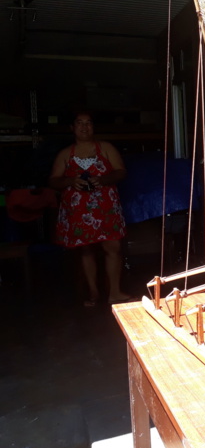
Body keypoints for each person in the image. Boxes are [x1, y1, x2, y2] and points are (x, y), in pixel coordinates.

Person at [48, 111, 130, 306]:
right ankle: (93, 293)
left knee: (113, 247)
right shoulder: (66, 154)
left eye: (88, 123)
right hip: (79, 210)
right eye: (79, 123)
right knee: (86, 250)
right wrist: (70, 181)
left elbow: (121, 172)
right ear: (72, 128)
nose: (84, 127)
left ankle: (115, 293)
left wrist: (103, 179)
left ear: (93, 127)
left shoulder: (106, 148)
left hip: (106, 208)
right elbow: (53, 180)